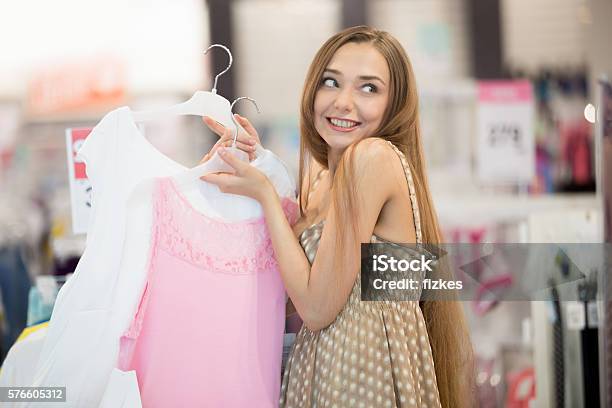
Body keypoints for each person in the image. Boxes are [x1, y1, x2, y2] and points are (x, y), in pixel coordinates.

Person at [200, 25, 474, 408]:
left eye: (368, 88)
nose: (343, 102)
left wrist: (263, 193)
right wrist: (265, 169)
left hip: (364, 382)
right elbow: (291, 298)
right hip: (325, 376)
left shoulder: (373, 158)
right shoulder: (323, 181)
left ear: (394, 106)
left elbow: (315, 308)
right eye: (331, 82)